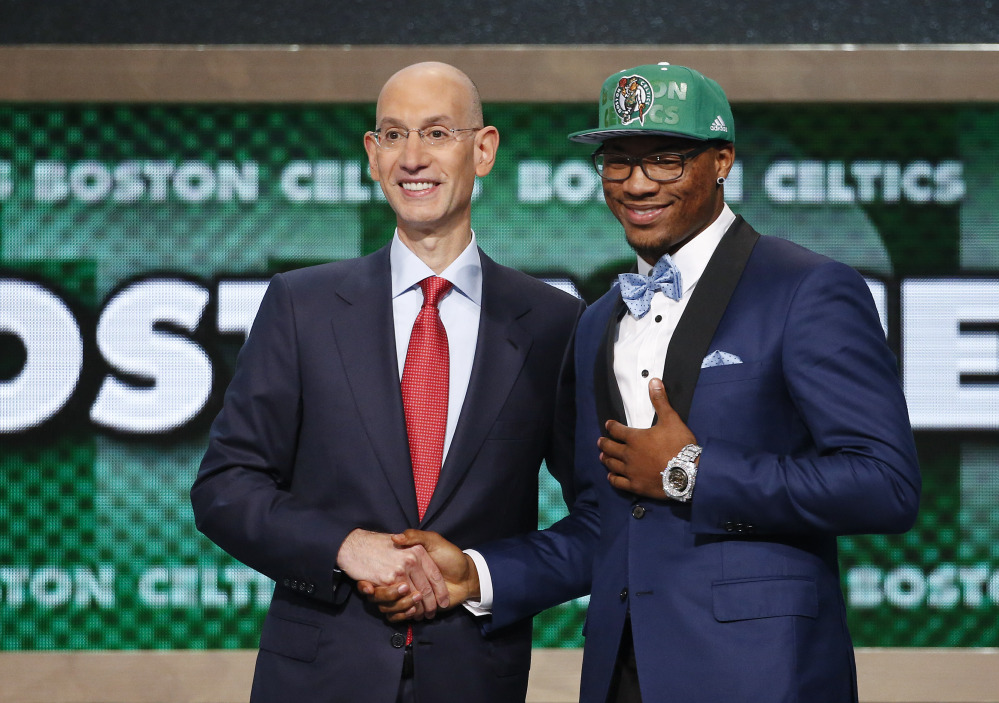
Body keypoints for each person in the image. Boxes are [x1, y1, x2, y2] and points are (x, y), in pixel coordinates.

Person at [372, 63, 921, 703]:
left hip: (762, 675)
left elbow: (886, 484)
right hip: (622, 675)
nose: (636, 184)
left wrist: (693, 470)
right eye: (618, 161)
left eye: (664, 160)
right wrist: (477, 573)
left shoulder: (807, 289)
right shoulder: (599, 319)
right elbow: (603, 524)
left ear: (721, 161)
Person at [191, 61, 584, 703]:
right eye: (394, 136)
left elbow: (600, 520)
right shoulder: (302, 305)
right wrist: (344, 547)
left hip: (474, 680)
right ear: (372, 157)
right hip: (317, 678)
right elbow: (225, 488)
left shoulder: (553, 323)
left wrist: (479, 576)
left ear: (482, 150)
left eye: (436, 133)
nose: (413, 158)